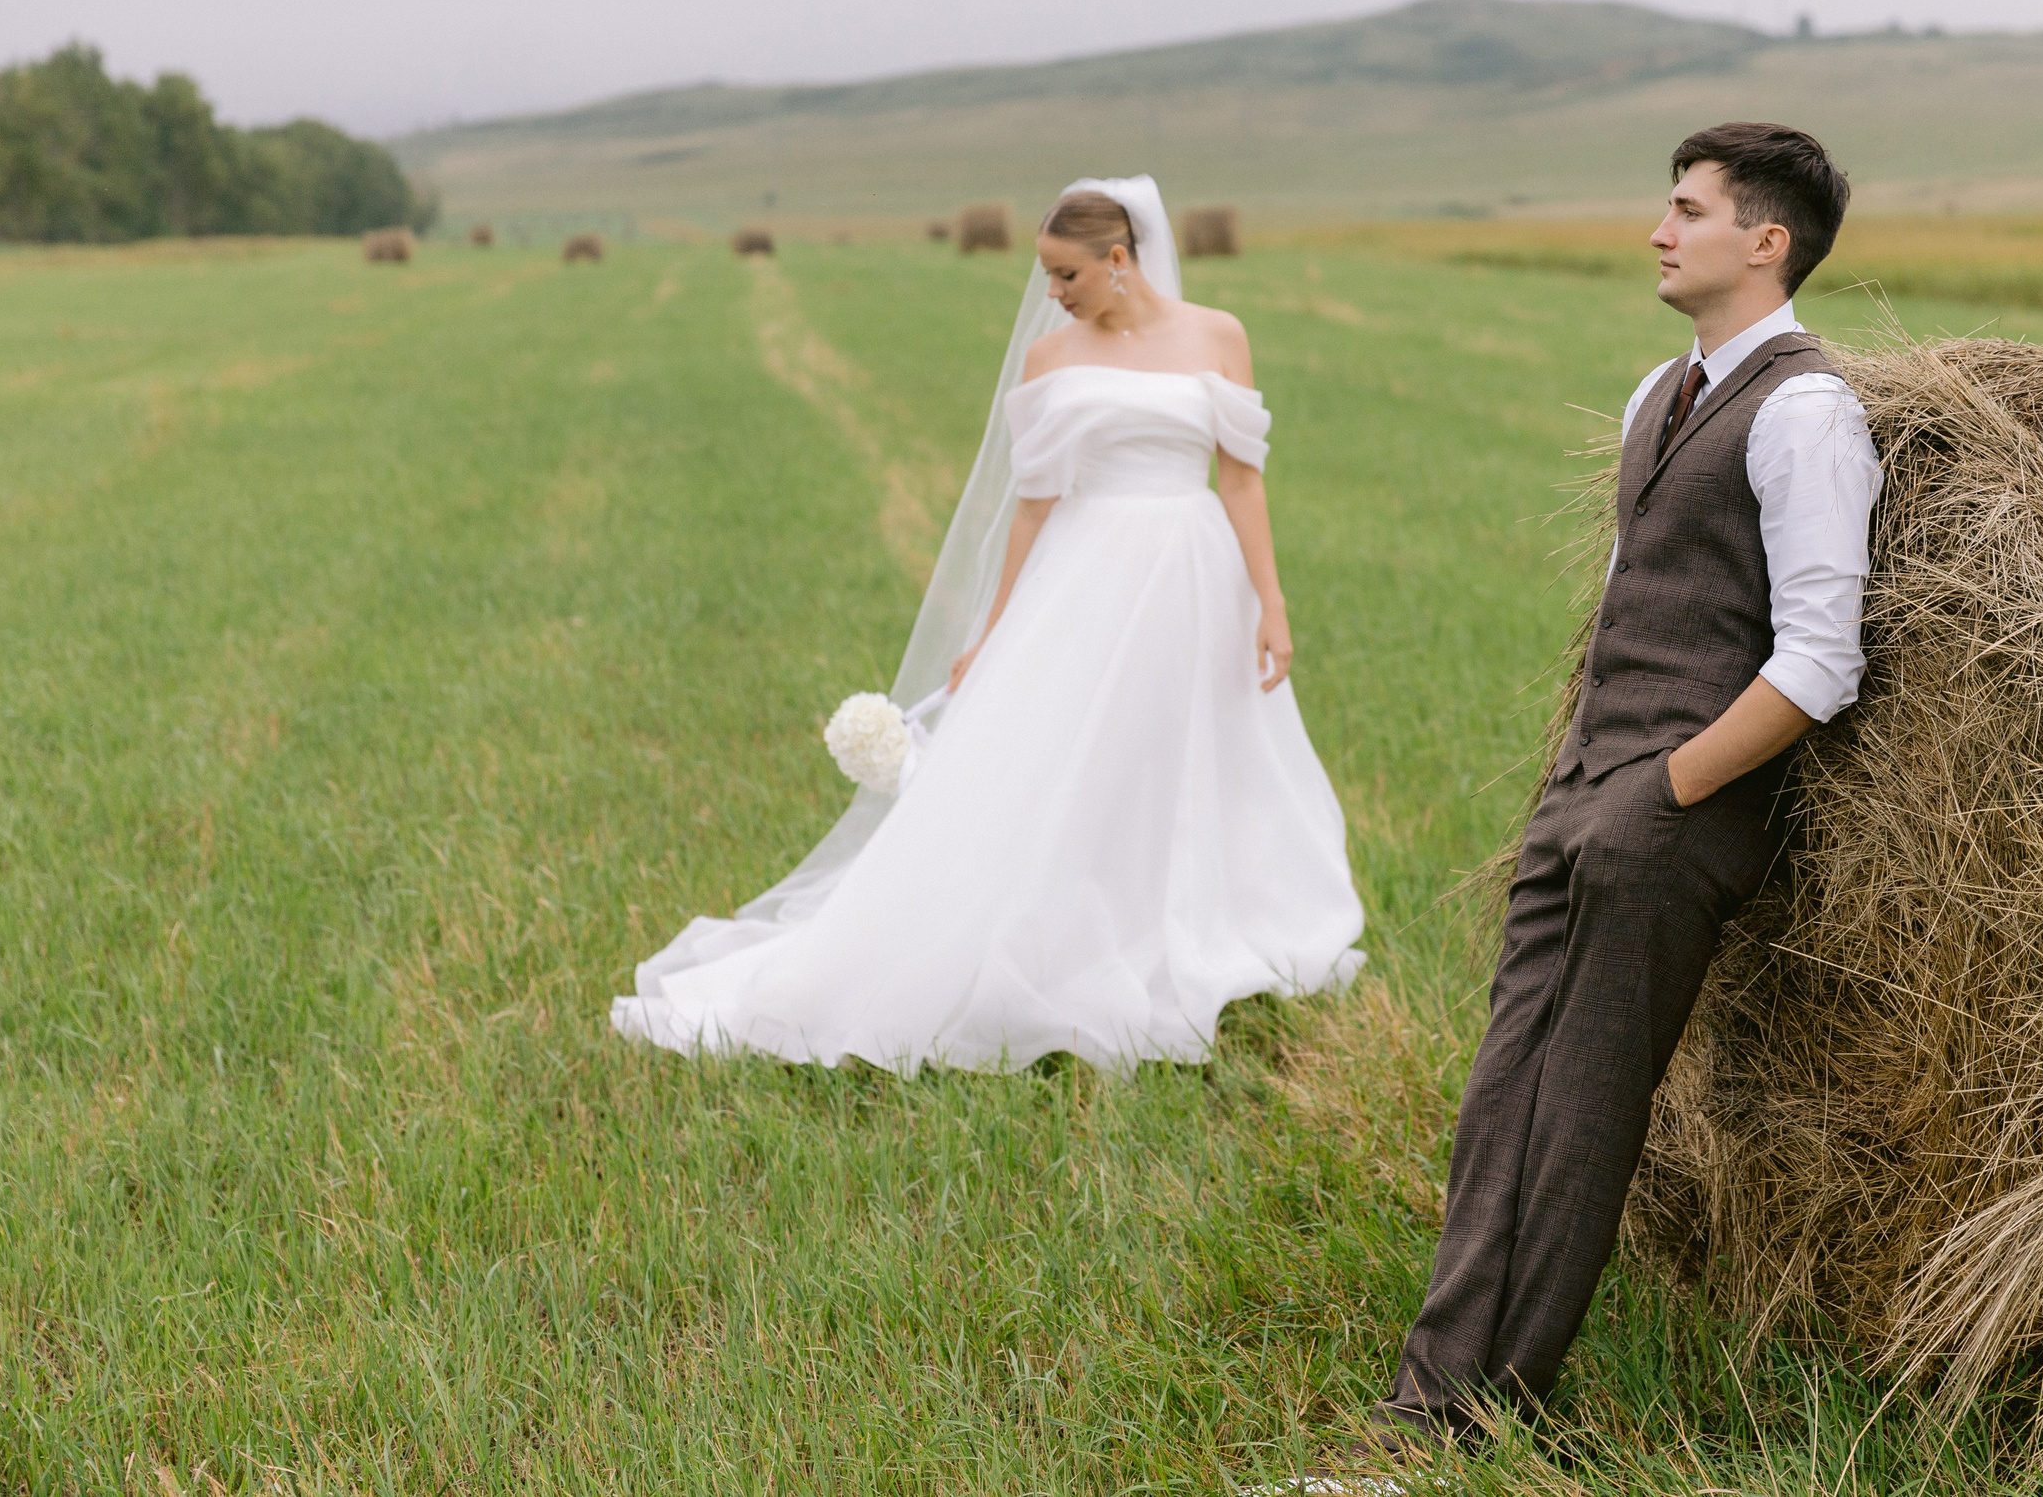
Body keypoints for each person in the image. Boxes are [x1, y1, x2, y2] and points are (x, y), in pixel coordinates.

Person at [610, 177, 1364, 1074]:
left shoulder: (1219, 335)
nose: (1053, 294)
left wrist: (1271, 601)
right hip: (1089, 575)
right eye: (1045, 275)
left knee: (1194, 753)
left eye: (1067, 274)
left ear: (1119, 260)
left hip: (1197, 576)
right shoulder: (1054, 362)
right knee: (1076, 762)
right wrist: (994, 629)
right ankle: (1069, 945)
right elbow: (1033, 511)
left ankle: (1199, 928)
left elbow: (1241, 478)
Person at [1376, 125, 1879, 1444]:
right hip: (1586, 795)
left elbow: (1823, 657)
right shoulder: (1659, 392)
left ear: (1764, 241)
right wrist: (1579, 780)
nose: (1660, 229)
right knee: (1506, 1092)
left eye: (1687, 209)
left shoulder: (1810, 410)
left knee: (1585, 1104)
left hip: (1673, 815)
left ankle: (1492, 1405)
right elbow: (1622, 612)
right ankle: (1428, 1395)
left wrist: (1665, 787)